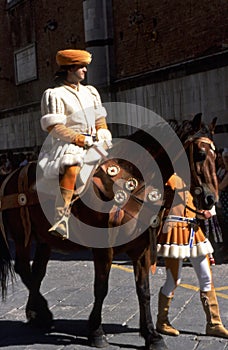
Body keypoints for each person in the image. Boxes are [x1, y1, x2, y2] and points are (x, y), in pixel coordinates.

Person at [40, 49, 112, 239]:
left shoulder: (91, 92)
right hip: (69, 144)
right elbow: (55, 127)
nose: (85, 71)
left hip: (95, 141)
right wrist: (80, 139)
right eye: (81, 67)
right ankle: (61, 216)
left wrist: (103, 133)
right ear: (70, 69)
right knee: (72, 167)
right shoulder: (55, 94)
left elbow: (100, 120)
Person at [156, 173, 228, 338]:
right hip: (174, 231)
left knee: (206, 277)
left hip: (194, 231)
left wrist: (202, 212)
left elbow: (193, 206)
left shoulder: (191, 178)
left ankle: (214, 323)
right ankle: (162, 321)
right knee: (174, 280)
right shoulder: (165, 176)